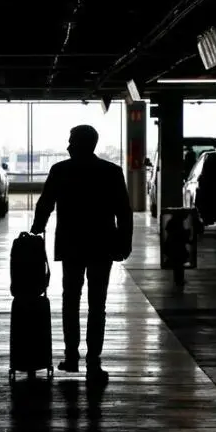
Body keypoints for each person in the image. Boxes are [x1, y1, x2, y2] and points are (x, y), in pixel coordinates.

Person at [30, 124, 133, 383]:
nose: (68, 146)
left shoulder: (61, 170)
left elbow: (45, 204)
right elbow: (124, 212)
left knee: (70, 301)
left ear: (80, 144)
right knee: (98, 303)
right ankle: (94, 360)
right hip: (102, 244)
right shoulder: (111, 172)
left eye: (71, 141)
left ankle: (72, 356)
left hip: (71, 244)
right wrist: (125, 243)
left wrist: (36, 230)